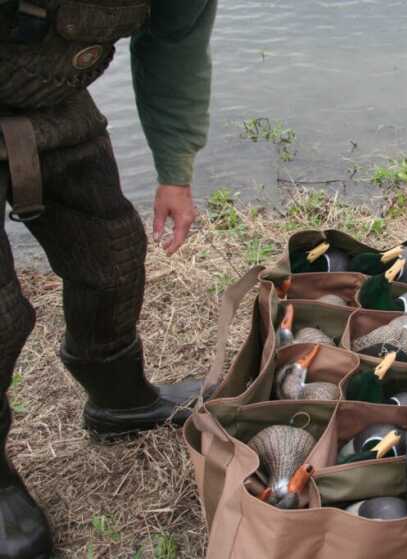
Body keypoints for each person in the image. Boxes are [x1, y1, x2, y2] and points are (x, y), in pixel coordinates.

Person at [0, 1, 216, 556]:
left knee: (113, 257)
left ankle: (119, 400)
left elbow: (174, 51)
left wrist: (175, 172)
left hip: (55, 107)